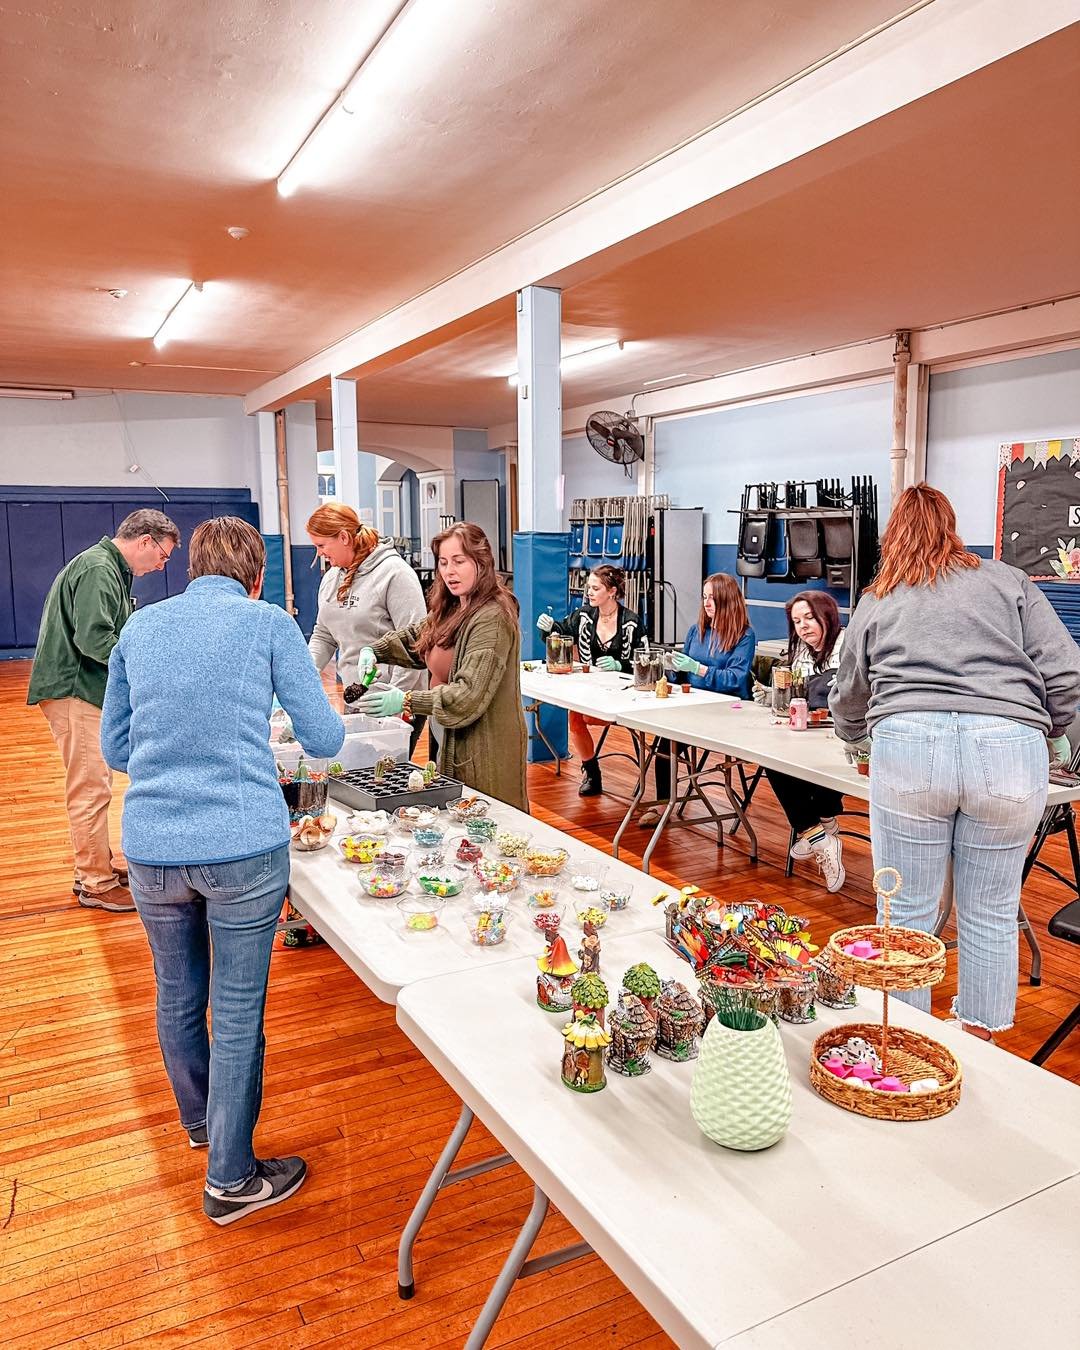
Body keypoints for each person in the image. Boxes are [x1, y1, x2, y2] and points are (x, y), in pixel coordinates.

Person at [101, 517, 344, 1224]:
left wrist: (174, 753)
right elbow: (324, 739)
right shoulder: (266, 622)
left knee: (177, 994)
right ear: (256, 575)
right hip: (241, 844)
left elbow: (117, 745)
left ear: (189, 567)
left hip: (150, 847)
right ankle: (231, 1179)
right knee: (237, 1011)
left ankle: (207, 1125)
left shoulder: (140, 630)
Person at [830, 484, 1080, 1041]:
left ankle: (902, 1048)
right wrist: (1047, 734)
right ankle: (980, 1044)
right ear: (954, 528)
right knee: (991, 911)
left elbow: (848, 692)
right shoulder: (1007, 580)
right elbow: (1066, 673)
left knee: (906, 912)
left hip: (909, 744)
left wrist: (854, 738)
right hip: (1010, 746)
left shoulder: (881, 595)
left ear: (891, 535)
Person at [28, 508, 180, 913]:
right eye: (163, 555)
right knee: (90, 786)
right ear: (145, 540)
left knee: (96, 784)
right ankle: (95, 883)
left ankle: (96, 867)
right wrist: (147, 669)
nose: (161, 565)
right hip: (74, 690)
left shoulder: (109, 567)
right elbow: (94, 638)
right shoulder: (99, 568)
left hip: (82, 690)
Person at [353, 521, 528, 811]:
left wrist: (406, 700)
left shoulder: (492, 618)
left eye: (459, 561)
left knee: (484, 826)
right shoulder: (453, 606)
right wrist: (375, 651)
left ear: (481, 563)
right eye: (444, 562)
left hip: (484, 751)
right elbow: (417, 638)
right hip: (446, 739)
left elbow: (468, 696)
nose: (449, 571)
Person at [306, 503, 428, 754]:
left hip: (393, 700)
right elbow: (324, 634)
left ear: (343, 537)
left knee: (385, 778)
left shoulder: (394, 574)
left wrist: (397, 699)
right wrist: (302, 673)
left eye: (321, 545)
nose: (319, 554)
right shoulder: (332, 578)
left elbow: (416, 639)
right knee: (357, 775)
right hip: (356, 697)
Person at [642, 573, 756, 826]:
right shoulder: (697, 630)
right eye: (704, 597)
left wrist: (699, 668)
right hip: (693, 703)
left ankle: (666, 803)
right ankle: (663, 804)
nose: (707, 603)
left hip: (727, 710)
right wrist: (671, 667)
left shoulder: (744, 635)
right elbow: (683, 670)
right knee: (663, 742)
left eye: (713, 598)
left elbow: (735, 679)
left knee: (668, 742)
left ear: (728, 600)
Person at [536, 564, 645, 797]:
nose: (589, 593)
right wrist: (547, 628)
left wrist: (621, 665)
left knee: (581, 714)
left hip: (623, 694)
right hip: (589, 690)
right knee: (576, 715)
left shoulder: (632, 622)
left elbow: (645, 661)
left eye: (596, 588)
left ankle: (643, 775)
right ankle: (592, 771)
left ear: (612, 591)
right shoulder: (583, 615)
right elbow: (560, 631)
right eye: (589, 588)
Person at [765, 591, 848, 892]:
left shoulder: (847, 645)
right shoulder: (799, 651)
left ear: (826, 615)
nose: (803, 626)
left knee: (804, 764)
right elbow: (795, 696)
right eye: (797, 621)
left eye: (809, 618)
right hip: (807, 735)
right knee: (772, 758)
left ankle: (817, 825)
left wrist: (809, 691)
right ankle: (819, 832)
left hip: (843, 742)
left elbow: (835, 694)